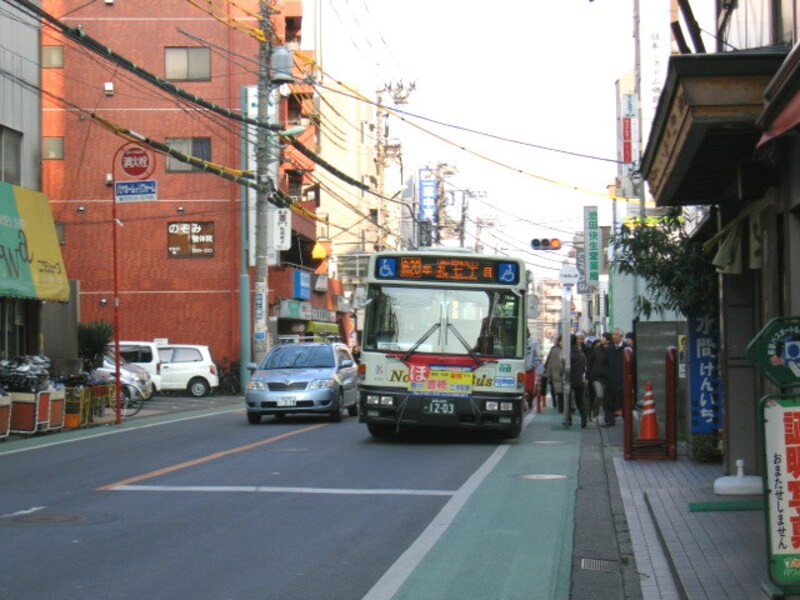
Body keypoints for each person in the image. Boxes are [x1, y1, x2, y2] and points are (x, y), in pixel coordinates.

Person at [602, 328, 628, 427]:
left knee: (624, 402)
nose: (613, 336)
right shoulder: (609, 349)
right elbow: (604, 363)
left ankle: (627, 422)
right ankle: (609, 420)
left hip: (622, 380)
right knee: (608, 402)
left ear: (621, 337)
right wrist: (606, 375)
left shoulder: (627, 348)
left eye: (616, 335)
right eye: (613, 334)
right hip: (610, 380)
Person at [567, 333, 588, 428]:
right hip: (579, 380)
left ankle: (568, 420)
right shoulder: (580, 354)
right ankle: (584, 419)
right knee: (580, 401)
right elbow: (583, 368)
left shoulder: (567, 353)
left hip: (569, 379)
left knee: (567, 401)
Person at [588, 334, 609, 422]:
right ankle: (594, 412)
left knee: (606, 397)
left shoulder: (610, 349)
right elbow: (590, 362)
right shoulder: (596, 349)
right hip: (596, 376)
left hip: (607, 377)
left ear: (608, 340)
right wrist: (588, 374)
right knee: (599, 395)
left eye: (604, 337)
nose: (602, 339)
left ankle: (605, 415)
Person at [544, 335, 564, 412]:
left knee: (563, 392)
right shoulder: (554, 349)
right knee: (557, 392)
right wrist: (548, 373)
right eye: (561, 341)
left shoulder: (568, 349)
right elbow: (549, 362)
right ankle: (557, 405)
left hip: (564, 374)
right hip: (555, 374)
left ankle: (562, 407)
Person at [524, 330, 541, 409]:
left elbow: (537, 357)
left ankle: (530, 401)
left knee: (529, 389)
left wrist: (532, 365)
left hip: (529, 370)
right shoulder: (518, 340)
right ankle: (523, 403)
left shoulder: (533, 342)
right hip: (518, 369)